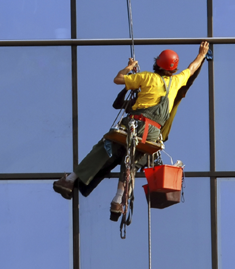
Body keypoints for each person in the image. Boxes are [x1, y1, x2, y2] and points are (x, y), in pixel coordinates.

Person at [53, 41, 210, 220]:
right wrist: (201, 54)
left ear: (157, 64)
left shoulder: (147, 77)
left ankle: (70, 180)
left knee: (104, 148)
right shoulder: (176, 81)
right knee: (133, 163)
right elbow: (191, 68)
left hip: (135, 125)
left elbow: (117, 79)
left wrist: (128, 68)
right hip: (152, 134)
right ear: (173, 69)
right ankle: (118, 200)